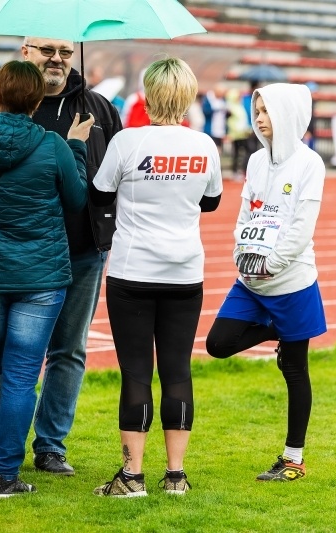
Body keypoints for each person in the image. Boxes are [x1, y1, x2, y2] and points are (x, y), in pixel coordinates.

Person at [0, 37, 123, 476]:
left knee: (68, 352)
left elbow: (115, 175)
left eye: (65, 51)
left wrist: (107, 229)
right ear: (25, 51)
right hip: (16, 256)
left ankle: (50, 445)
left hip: (80, 251)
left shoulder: (99, 109)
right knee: (4, 356)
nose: (56, 59)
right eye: (46, 50)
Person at [0, 60, 92, 497]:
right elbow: (77, 200)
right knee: (22, 374)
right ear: (36, 100)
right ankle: (7, 475)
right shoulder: (53, 145)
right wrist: (77, 147)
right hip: (41, 278)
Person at [89, 57, 222, 497]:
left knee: (136, 373)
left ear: (147, 94)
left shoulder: (127, 141)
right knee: (178, 370)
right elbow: (211, 201)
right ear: (187, 96)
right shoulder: (204, 144)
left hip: (132, 271)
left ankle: (131, 478)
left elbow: (100, 191)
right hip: (185, 271)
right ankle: (176, 476)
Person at [206, 82, 327, 482]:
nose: (258, 119)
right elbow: (246, 214)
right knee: (218, 344)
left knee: (295, 369)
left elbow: (302, 227)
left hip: (290, 280)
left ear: (287, 114)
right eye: (256, 111)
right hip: (250, 280)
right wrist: (241, 253)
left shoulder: (310, 164)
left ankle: (293, 459)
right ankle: (277, 329)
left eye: (265, 111)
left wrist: (272, 262)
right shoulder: (256, 161)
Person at [225, 87, 251, 182]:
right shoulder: (230, 108)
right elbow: (230, 122)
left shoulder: (239, 106)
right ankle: (235, 172)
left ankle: (240, 170)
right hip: (235, 135)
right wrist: (231, 132)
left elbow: (243, 120)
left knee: (244, 152)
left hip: (243, 134)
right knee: (236, 153)